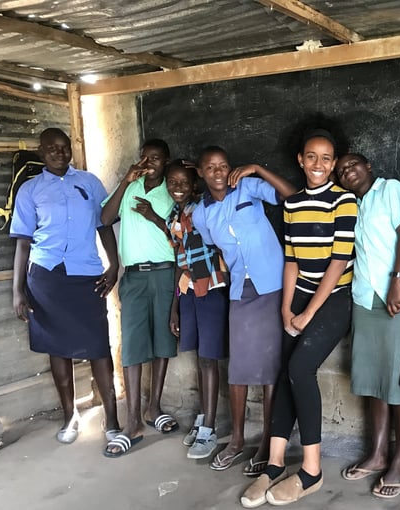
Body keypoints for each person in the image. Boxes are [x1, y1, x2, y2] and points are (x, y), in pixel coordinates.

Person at [240, 129, 357, 507]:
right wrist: (286, 308)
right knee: (284, 371)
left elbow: (338, 263)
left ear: (335, 163)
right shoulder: (292, 205)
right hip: (300, 296)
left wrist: (308, 313)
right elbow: (291, 259)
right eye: (311, 157)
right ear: (300, 160)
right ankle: (273, 465)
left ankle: (311, 471)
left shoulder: (345, 200)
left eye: (326, 158)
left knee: (301, 368)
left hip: (335, 298)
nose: (318, 164)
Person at [10, 127, 120, 445]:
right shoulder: (30, 190)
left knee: (99, 346)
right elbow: (23, 244)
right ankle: (70, 416)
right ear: (41, 151)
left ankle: (112, 420)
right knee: (58, 349)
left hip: (87, 276)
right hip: (47, 279)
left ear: (70, 149)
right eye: (51, 148)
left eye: (63, 147)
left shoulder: (89, 182)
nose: (59, 152)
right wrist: (18, 291)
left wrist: (114, 265)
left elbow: (105, 225)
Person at [192, 146, 296, 473]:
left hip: (272, 283)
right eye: (211, 168)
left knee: (269, 368)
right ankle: (237, 439)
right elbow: (213, 243)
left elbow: (291, 196)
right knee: (238, 368)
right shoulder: (200, 213)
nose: (219, 172)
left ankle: (268, 439)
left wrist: (257, 167)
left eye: (223, 165)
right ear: (201, 173)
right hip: (241, 289)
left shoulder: (248, 188)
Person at [336, 153, 400, 500]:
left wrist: (397, 282)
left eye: (353, 164)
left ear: (370, 166)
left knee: (399, 383)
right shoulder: (352, 204)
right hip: (364, 298)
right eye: (341, 171)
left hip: (394, 297)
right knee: (374, 381)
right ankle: (378, 453)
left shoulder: (390, 190)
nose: (348, 171)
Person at [100, 139, 178, 457]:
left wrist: (152, 217)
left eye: (156, 158)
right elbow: (105, 219)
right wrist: (124, 181)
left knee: (162, 341)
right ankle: (132, 421)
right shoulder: (130, 189)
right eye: (145, 157)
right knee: (132, 345)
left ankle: (153, 408)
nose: (149, 162)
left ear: (166, 162)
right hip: (133, 276)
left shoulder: (173, 191)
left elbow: (180, 235)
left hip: (164, 273)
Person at [162, 160, 229, 460]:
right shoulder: (173, 215)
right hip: (189, 292)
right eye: (172, 182)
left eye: (184, 182)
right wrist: (176, 305)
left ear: (195, 184)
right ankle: (205, 415)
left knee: (208, 359)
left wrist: (201, 170)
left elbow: (222, 190)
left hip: (212, 289)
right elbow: (180, 261)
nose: (177, 187)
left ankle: (210, 430)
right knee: (200, 359)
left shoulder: (205, 205)